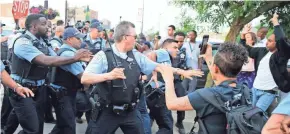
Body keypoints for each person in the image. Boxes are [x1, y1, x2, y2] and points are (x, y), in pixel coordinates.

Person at [82, 21, 203, 134]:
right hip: (107, 112)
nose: (136, 40)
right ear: (125, 37)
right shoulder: (103, 56)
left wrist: (181, 71)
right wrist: (108, 75)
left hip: (130, 112)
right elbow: (85, 78)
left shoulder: (136, 55)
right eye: (134, 37)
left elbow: (158, 67)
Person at [5, 14, 91, 134]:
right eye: (44, 24)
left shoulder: (42, 42)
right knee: (33, 130)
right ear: (34, 26)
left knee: (36, 128)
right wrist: (75, 58)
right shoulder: (22, 42)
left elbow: (55, 58)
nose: (48, 27)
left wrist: (83, 59)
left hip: (39, 89)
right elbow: (44, 60)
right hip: (21, 89)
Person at [158, 42, 249, 134]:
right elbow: (221, 79)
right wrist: (209, 58)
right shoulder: (245, 91)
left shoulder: (206, 96)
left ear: (215, 68)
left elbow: (172, 104)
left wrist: (168, 79)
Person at [241, 13, 289, 113]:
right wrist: (243, 35)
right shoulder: (262, 51)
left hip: (268, 93)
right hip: (254, 90)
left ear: (277, 44)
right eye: (268, 40)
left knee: (255, 115)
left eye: (270, 41)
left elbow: (282, 40)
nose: (267, 42)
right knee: (252, 115)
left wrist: (275, 22)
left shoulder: (281, 56)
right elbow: (245, 49)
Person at [49, 27, 89, 134]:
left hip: (66, 93)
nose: (81, 41)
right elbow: (83, 77)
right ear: (70, 39)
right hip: (63, 95)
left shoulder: (72, 52)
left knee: (62, 125)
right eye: (78, 38)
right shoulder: (69, 54)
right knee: (69, 126)